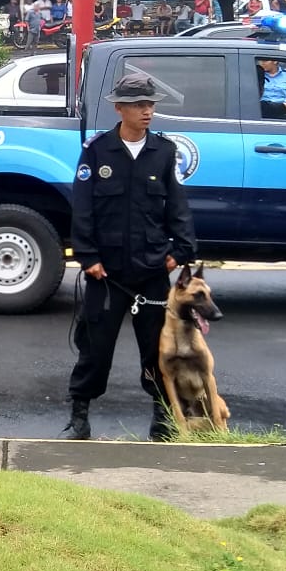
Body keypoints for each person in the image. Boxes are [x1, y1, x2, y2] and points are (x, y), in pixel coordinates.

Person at [61, 73, 197, 442]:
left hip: (152, 270)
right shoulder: (97, 151)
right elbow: (83, 208)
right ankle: (79, 414)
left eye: (150, 104)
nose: (147, 111)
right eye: (139, 105)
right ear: (119, 108)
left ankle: (162, 416)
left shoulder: (164, 152)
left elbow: (178, 207)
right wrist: (87, 256)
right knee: (95, 348)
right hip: (106, 272)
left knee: (157, 350)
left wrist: (179, 253)